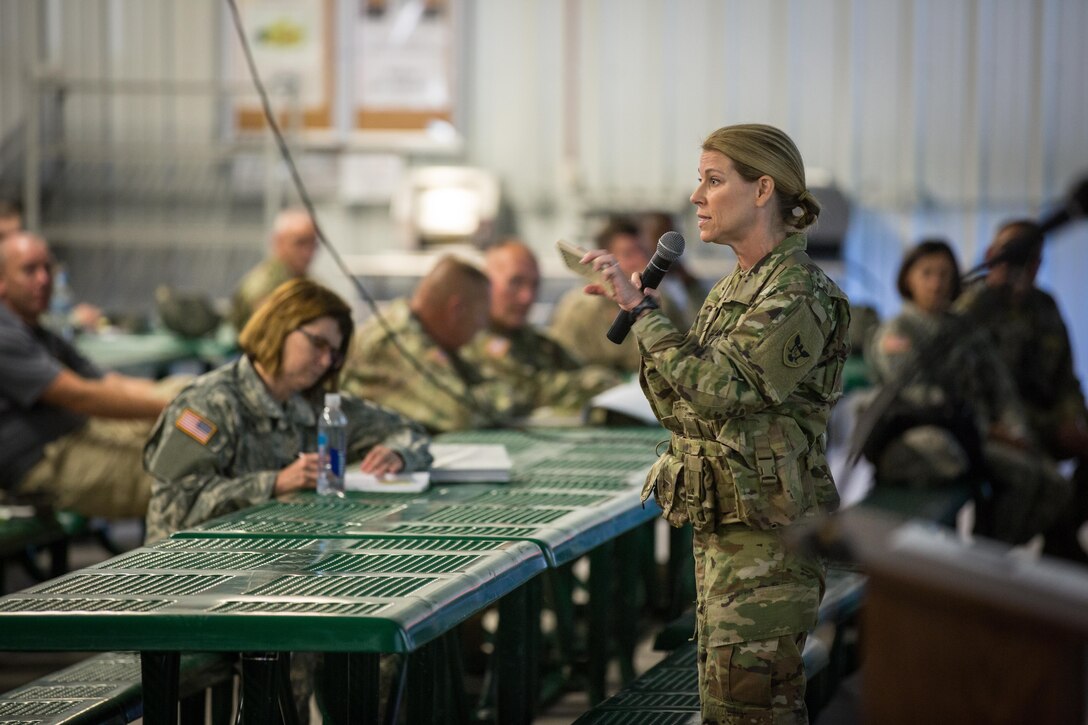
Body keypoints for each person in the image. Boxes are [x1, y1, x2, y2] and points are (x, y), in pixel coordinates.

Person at [580, 124, 849, 723]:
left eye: (713, 180)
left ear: (762, 190)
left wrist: (642, 313)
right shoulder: (735, 289)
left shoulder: (798, 292)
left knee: (751, 711)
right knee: (728, 707)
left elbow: (722, 390)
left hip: (769, 544)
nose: (696, 196)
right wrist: (644, 317)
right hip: (727, 532)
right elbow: (683, 406)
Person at [144, 278, 432, 543]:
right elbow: (175, 508)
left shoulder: (315, 405)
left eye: (333, 353)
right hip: (192, 572)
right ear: (280, 327)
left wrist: (397, 454)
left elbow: (408, 431)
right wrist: (276, 483)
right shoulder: (207, 405)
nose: (324, 361)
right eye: (317, 344)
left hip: (274, 564)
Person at [866, 239, 1069, 544]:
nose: (937, 283)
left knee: (1052, 484)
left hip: (974, 435)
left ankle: (991, 547)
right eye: (927, 273)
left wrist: (1018, 430)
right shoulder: (899, 332)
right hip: (937, 434)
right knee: (1022, 476)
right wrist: (988, 430)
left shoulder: (963, 327)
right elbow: (921, 398)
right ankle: (987, 553)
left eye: (945, 274)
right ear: (908, 278)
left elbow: (1001, 386)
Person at [0, 232, 168, 518]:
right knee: (174, 480)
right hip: (39, 462)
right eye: (29, 270)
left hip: (75, 432)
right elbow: (81, 396)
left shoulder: (39, 332)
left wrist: (181, 395)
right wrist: (172, 408)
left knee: (182, 427)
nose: (43, 279)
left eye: (47, 269)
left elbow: (105, 381)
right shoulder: (5, 335)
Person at [957, 220, 1088, 561]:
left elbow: (1067, 379)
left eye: (1030, 260)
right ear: (990, 255)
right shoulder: (973, 306)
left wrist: (1075, 420)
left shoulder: (1045, 306)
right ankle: (988, 559)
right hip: (998, 427)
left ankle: (1061, 537)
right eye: (1011, 256)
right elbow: (962, 385)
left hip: (1044, 422)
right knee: (1039, 480)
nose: (1021, 268)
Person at [340, 255, 518, 433]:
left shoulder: (434, 337)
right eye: (481, 315)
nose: (483, 326)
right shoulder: (396, 340)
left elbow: (500, 387)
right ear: (456, 310)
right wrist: (495, 397)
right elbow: (459, 415)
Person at [459, 237, 622, 418]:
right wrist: (596, 382)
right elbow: (532, 391)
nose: (527, 297)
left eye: (534, 285)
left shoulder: (535, 342)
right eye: (516, 282)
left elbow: (580, 371)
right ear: (485, 282)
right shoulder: (466, 340)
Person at [549, 217, 658, 375]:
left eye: (644, 252)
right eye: (629, 254)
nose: (641, 261)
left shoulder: (658, 301)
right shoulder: (578, 309)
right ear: (605, 261)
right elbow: (560, 367)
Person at [229, 208, 319, 333]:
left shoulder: (311, 283)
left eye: (313, 244)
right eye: (300, 243)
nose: (308, 252)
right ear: (279, 242)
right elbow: (267, 336)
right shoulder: (262, 286)